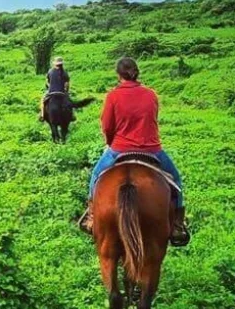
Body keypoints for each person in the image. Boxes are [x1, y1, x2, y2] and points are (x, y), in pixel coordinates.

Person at [78, 57, 190, 247]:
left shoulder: (113, 96)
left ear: (118, 75)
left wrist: (110, 143)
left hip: (119, 149)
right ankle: (178, 225)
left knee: (95, 177)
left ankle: (92, 217)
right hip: (152, 150)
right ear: (137, 72)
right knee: (176, 181)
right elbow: (152, 120)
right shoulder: (151, 94)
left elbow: (107, 126)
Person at [39, 57, 72, 122]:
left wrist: (50, 87)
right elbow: (67, 84)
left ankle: (42, 115)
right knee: (70, 101)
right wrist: (66, 91)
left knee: (42, 100)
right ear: (62, 64)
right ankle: (72, 115)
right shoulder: (65, 72)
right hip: (62, 92)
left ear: (55, 64)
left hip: (51, 92)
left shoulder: (50, 71)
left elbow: (47, 82)